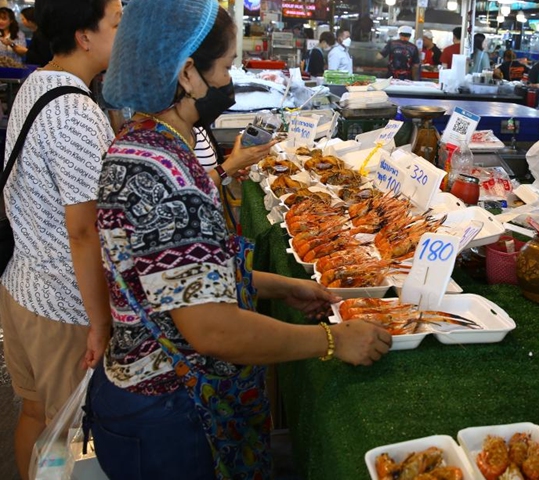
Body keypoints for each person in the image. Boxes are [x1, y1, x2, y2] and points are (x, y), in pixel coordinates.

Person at [92, 2, 391, 478]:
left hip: (139, 397)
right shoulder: (169, 175)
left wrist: (278, 286)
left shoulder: (142, 141)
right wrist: (332, 340)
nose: (230, 80)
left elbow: (177, 277)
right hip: (169, 411)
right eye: (227, 66)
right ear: (188, 73)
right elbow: (212, 328)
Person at [0, 1, 121, 478]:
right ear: (84, 36)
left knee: (36, 414)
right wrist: (99, 322)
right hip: (61, 305)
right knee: (68, 432)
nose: (123, 32)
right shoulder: (75, 111)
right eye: (116, 23)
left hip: (20, 288)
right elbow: (83, 229)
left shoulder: (37, 83)